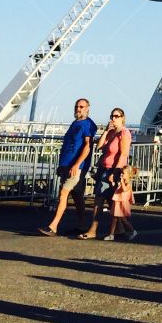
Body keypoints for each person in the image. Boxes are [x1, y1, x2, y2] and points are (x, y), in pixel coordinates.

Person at [39, 98, 98, 236]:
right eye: (77, 106)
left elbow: (87, 146)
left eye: (82, 107)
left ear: (88, 108)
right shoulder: (74, 123)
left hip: (77, 167)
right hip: (66, 164)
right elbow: (68, 145)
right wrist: (62, 165)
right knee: (77, 196)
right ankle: (83, 225)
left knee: (63, 193)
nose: (78, 109)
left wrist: (77, 164)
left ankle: (53, 226)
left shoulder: (88, 125)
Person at [79, 108, 132, 239]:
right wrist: (107, 130)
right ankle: (120, 228)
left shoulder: (124, 133)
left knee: (99, 198)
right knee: (111, 200)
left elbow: (124, 154)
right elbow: (100, 146)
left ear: (122, 118)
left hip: (112, 170)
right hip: (103, 167)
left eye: (116, 116)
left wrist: (115, 172)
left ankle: (93, 229)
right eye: (112, 116)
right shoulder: (113, 132)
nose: (113, 118)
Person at [106, 165, 137, 242]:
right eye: (121, 173)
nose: (121, 175)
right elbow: (116, 190)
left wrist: (122, 182)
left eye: (123, 173)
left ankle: (132, 230)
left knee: (123, 219)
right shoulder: (121, 183)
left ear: (129, 175)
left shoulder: (128, 184)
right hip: (118, 202)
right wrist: (113, 183)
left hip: (122, 203)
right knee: (114, 218)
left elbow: (124, 190)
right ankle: (111, 234)